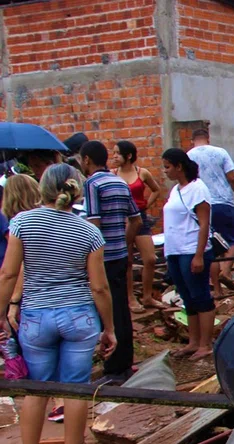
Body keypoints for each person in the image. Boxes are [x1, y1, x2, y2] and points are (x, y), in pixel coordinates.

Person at [0, 163, 116, 444]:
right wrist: (109, 328)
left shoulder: (21, 223)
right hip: (78, 315)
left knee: (37, 389)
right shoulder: (89, 232)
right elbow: (99, 287)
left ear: (43, 189)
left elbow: (9, 274)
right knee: (75, 390)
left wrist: (1, 313)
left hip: (36, 316)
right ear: (76, 190)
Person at [80, 140, 140, 384]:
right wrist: (123, 243)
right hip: (119, 255)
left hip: (101, 256)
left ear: (86, 160)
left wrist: (87, 255)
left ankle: (113, 368)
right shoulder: (119, 181)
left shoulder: (92, 184)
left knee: (107, 309)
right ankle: (125, 361)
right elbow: (135, 220)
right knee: (121, 306)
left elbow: (93, 223)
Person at [161, 148, 216, 361]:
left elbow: (204, 224)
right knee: (187, 298)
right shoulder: (176, 190)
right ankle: (193, 342)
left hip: (191, 250)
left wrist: (199, 255)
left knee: (200, 296)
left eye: (167, 167)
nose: (165, 171)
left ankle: (205, 343)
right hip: (175, 250)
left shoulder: (198, 189)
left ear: (179, 166)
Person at [187, 128, 234, 295]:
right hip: (223, 203)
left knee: (212, 248)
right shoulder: (220, 152)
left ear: (192, 140)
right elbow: (233, 178)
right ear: (208, 138)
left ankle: (218, 291)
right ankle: (226, 272)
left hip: (200, 206)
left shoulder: (187, 156)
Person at [114, 141, 164, 312]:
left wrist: (145, 205)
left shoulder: (142, 172)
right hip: (122, 220)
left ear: (128, 155)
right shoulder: (113, 174)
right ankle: (130, 298)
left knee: (149, 258)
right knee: (127, 261)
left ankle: (147, 296)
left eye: (117, 153)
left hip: (140, 219)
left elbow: (156, 190)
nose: (114, 157)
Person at [1, 174, 40, 330]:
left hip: (17, 294)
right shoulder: (43, 221)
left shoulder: (13, 225)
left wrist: (13, 302)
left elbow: (16, 266)